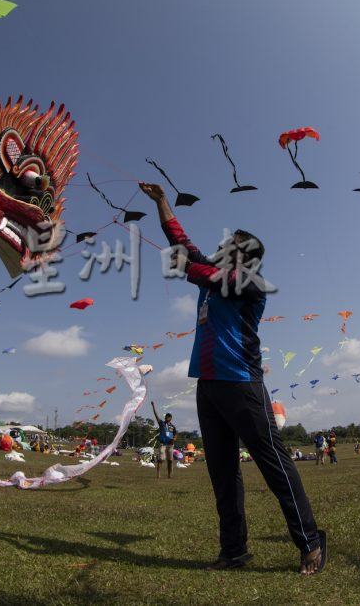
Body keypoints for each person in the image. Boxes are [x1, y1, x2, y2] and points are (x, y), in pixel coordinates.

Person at [140, 182, 326, 575]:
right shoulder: (212, 270)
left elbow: (202, 272)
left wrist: (184, 265)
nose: (225, 243)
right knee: (222, 473)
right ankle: (233, 551)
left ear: (246, 255)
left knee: (274, 463)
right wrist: (161, 201)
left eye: (234, 242)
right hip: (207, 385)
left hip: (242, 384)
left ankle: (310, 541)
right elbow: (181, 241)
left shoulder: (250, 282)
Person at [150, 400, 177, 479]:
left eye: (168, 417)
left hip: (170, 445)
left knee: (170, 460)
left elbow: (175, 434)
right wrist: (153, 406)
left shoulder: (173, 426)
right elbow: (156, 415)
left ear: (171, 418)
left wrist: (174, 439)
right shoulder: (162, 423)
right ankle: (158, 474)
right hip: (163, 444)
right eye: (166, 417)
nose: (167, 418)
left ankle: (169, 475)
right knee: (161, 459)